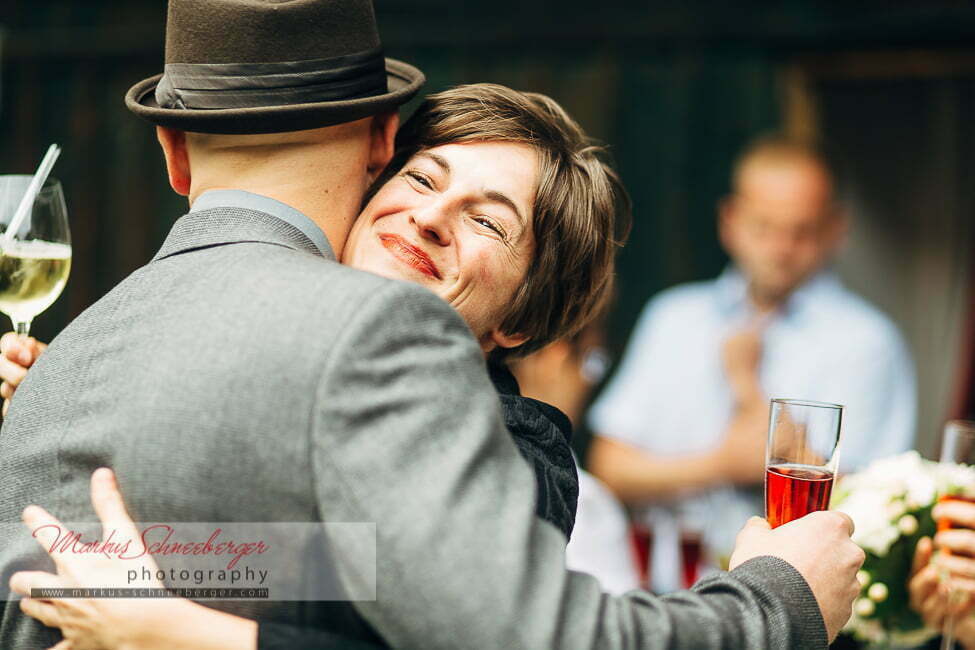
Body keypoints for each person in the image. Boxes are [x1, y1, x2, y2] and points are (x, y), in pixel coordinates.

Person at [0, 2, 864, 648]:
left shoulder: (510, 444)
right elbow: (305, 563)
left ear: (525, 317)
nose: (429, 216)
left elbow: (440, 614)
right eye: (422, 180)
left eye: (489, 221)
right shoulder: (103, 357)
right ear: (379, 155)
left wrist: (191, 630)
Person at [588, 133, 916, 592]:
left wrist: (745, 387)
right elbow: (609, 467)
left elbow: (867, 505)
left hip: (789, 605)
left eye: (800, 231)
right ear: (730, 220)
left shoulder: (868, 342)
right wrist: (720, 462)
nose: (780, 249)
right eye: (763, 227)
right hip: (657, 598)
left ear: (835, 228)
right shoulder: (672, 317)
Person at [509, 322, 643, 595]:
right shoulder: (584, 497)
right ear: (554, 356)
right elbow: (611, 623)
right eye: (593, 360)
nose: (590, 381)